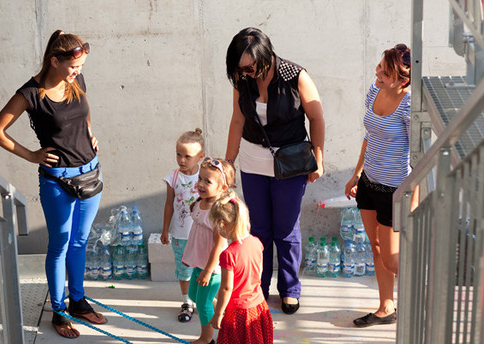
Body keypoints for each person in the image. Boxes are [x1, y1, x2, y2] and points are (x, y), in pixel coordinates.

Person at [0, 30, 106, 339]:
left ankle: (78, 301)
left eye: (81, 67)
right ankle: (59, 311)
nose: (78, 72)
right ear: (55, 61)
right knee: (60, 244)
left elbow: (83, 111)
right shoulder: (30, 94)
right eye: (73, 66)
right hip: (58, 181)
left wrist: (89, 132)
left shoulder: (76, 81)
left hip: (90, 174)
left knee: (80, 241)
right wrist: (31, 155)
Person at [224, 27, 325, 314]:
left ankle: (290, 289)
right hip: (253, 162)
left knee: (286, 228)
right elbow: (237, 121)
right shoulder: (242, 79)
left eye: (250, 67)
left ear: (265, 57)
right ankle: (258, 286)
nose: (245, 73)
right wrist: (229, 162)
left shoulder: (296, 76)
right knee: (258, 229)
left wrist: (318, 157)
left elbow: (317, 118)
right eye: (240, 69)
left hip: (290, 163)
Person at [344, 44, 417, 327]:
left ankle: (425, 300)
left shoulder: (409, 105)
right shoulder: (375, 91)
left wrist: (412, 197)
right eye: (379, 67)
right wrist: (356, 174)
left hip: (394, 191)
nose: (377, 74)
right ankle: (386, 307)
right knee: (375, 248)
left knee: (392, 260)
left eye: (385, 73)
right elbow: (370, 135)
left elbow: (420, 157)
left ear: (403, 80)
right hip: (369, 183)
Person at [209, 192, 273, 344]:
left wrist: (218, 314)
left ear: (222, 224)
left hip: (239, 314)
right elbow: (258, 273)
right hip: (258, 306)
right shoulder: (256, 242)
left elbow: (226, 288)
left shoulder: (228, 254)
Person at [180, 157, 234, 344]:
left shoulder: (218, 211)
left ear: (222, 188)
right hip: (200, 262)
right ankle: (222, 312)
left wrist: (209, 271)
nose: (201, 184)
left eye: (207, 181)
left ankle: (206, 339)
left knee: (202, 303)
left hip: (212, 267)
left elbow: (219, 245)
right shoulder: (200, 202)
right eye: (200, 179)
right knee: (193, 294)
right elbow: (198, 236)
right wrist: (191, 257)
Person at [160, 129, 205, 322]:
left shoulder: (204, 176)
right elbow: (169, 204)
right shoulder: (173, 177)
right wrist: (165, 230)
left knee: (203, 269)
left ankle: (202, 300)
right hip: (180, 235)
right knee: (184, 270)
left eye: (188, 156)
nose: (182, 160)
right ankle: (187, 302)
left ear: (200, 156)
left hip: (203, 235)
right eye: (179, 154)